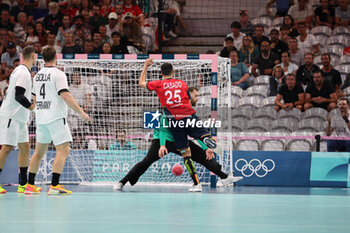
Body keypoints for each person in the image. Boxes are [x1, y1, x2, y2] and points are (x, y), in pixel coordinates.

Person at [114, 87, 242, 191]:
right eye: (195, 95)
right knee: (146, 161)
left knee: (203, 156)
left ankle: (224, 177)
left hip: (179, 140)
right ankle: (122, 182)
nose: (197, 98)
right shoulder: (170, 109)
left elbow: (195, 132)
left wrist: (206, 147)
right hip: (162, 140)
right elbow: (163, 130)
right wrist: (162, 145)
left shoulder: (189, 112)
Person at [138, 58, 217, 192]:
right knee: (199, 134)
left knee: (185, 153)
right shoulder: (182, 83)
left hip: (174, 119)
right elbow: (187, 99)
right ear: (173, 72)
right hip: (187, 115)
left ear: (161, 73)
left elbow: (141, 83)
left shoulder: (159, 83)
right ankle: (206, 144)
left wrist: (146, 66)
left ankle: (197, 184)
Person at [24, 46, 92, 195]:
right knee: (64, 150)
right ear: (56, 57)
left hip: (41, 118)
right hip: (55, 118)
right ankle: (54, 185)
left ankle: (29, 185)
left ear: (42, 58)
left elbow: (34, 100)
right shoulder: (59, 74)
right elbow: (65, 95)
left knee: (38, 152)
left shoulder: (36, 76)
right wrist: (81, 113)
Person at [0, 46, 36, 194]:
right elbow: (19, 96)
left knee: (25, 147)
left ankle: (23, 184)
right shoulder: (22, 72)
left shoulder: (24, 72)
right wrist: (33, 107)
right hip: (11, 116)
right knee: (7, 148)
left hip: (20, 118)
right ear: (32, 56)